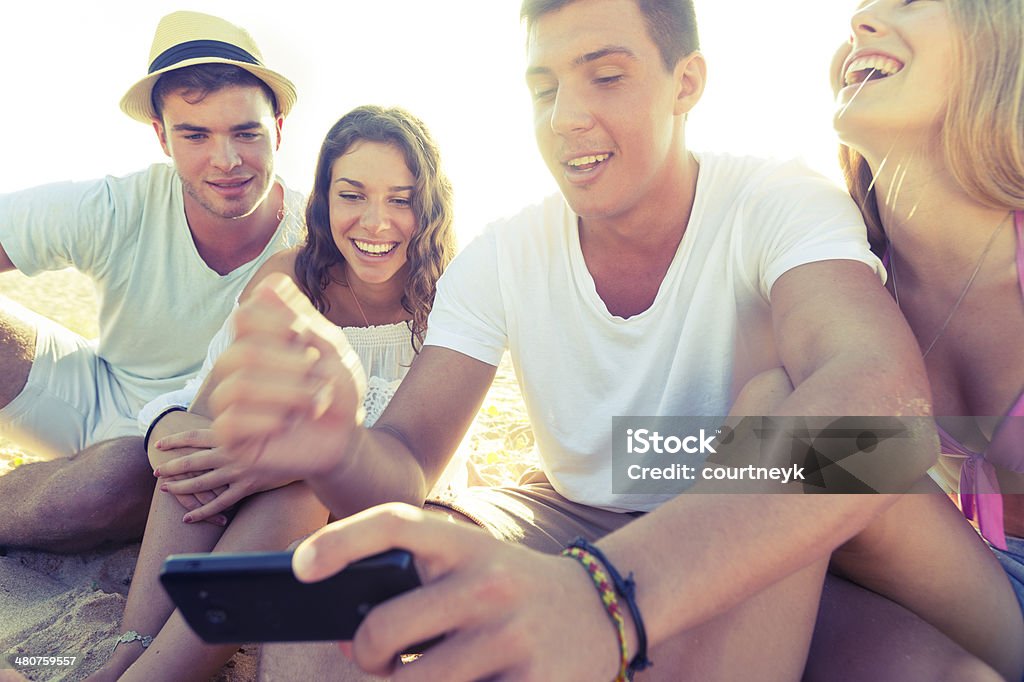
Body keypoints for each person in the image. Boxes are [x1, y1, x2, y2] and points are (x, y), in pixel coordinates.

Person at [159, 1, 1020, 679]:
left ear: (687, 81)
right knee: (348, 608)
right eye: (544, 88)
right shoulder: (505, 251)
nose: (566, 117)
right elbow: (408, 459)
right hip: (609, 510)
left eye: (606, 75)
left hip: (787, 540)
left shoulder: (777, 202)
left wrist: (604, 595)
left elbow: (878, 421)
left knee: (775, 417)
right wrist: (338, 447)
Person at [90, 105, 459, 682]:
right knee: (195, 454)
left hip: (390, 508)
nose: (375, 222)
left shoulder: (450, 302)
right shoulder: (292, 277)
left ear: (428, 204)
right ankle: (130, 651)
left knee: (299, 491)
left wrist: (282, 464)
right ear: (324, 200)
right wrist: (195, 438)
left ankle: (151, 677)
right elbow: (205, 406)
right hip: (262, 505)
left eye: (401, 198)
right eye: (353, 195)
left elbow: (411, 470)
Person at [0, 10, 304, 552]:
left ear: (278, 130)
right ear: (162, 138)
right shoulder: (118, 205)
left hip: (192, 445)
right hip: (96, 393)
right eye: (195, 134)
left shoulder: (322, 238)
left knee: (116, 480)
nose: (226, 160)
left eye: (245, 132)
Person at [804, 1, 1024, 679]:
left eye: (907, 0)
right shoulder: (841, 278)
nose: (861, 19)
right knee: (804, 439)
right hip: (967, 595)